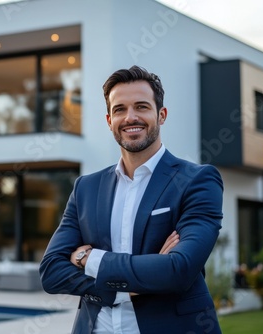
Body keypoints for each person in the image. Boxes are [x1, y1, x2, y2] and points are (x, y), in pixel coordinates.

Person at [39, 65, 223, 334]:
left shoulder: (198, 180)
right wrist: (126, 290)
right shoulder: (86, 188)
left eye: (141, 107)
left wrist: (88, 259)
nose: (130, 117)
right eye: (120, 109)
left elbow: (179, 269)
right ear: (108, 120)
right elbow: (51, 272)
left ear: (161, 115)